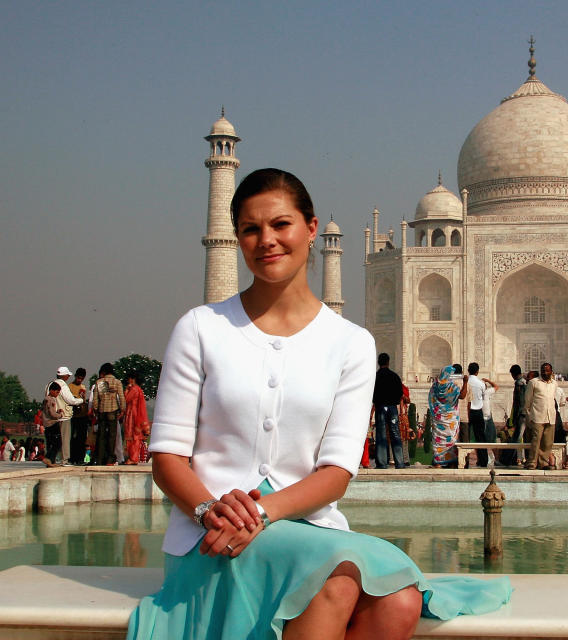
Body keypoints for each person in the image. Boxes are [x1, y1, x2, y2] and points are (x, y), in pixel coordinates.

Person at [126, 168, 509, 639]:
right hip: (209, 538)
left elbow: (336, 473)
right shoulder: (200, 328)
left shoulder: (351, 343)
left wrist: (262, 513)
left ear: (311, 228)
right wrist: (210, 511)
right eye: (250, 229)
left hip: (309, 529)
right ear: (237, 239)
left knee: (399, 601)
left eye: (280, 224)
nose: (266, 239)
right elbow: (166, 458)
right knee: (337, 581)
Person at [372, 353, 405, 469]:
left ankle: (381, 463)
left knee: (381, 435)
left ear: (378, 362)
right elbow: (400, 393)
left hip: (380, 407)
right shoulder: (394, 376)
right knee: (395, 434)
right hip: (392, 408)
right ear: (388, 362)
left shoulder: (375, 377)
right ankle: (400, 463)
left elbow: (372, 394)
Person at [524, 362, 558, 470]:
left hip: (550, 415)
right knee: (535, 440)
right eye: (543, 370)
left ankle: (543, 462)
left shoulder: (554, 384)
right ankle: (532, 462)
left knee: (547, 442)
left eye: (547, 370)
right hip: (537, 415)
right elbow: (527, 400)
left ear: (551, 372)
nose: (545, 372)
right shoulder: (534, 382)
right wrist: (528, 415)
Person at [47, 366, 84, 465]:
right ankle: (64, 460)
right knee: (65, 438)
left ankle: (52, 459)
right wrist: (81, 400)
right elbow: (70, 400)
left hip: (51, 417)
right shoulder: (62, 385)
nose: (68, 377)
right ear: (65, 376)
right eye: (67, 375)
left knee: (54, 439)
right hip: (63, 416)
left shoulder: (50, 384)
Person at [428, 366, 462, 468]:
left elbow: (431, 400)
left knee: (438, 441)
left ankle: (438, 462)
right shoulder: (452, 387)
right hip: (450, 419)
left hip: (439, 419)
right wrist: (465, 382)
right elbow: (462, 396)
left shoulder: (435, 387)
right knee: (451, 440)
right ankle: (450, 461)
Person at [92, 362, 126, 466]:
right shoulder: (117, 382)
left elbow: (97, 399)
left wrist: (96, 410)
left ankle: (100, 458)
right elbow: (121, 397)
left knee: (101, 435)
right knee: (112, 436)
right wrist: (122, 409)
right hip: (113, 410)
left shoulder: (100, 382)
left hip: (102, 411)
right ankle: (110, 459)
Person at [461, 362, 492, 468]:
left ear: (468, 371)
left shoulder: (464, 382)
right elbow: (483, 396)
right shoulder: (481, 383)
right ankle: (483, 461)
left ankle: (464, 462)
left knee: (465, 438)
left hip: (466, 411)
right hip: (478, 411)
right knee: (480, 438)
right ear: (477, 371)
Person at [123, 372, 150, 466]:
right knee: (135, 438)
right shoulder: (138, 389)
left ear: (132, 379)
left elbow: (126, 399)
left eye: (129, 378)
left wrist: (126, 390)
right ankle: (133, 458)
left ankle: (133, 458)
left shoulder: (134, 389)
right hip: (134, 414)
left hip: (132, 415)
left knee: (133, 438)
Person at [68, 368, 90, 465]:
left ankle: (80, 458)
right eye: (78, 378)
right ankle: (72, 457)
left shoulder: (83, 387)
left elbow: (83, 399)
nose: (79, 380)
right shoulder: (69, 386)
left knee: (81, 437)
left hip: (82, 415)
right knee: (73, 437)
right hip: (73, 415)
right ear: (75, 376)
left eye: (81, 378)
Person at [40, 383, 63, 467]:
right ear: (52, 390)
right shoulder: (50, 400)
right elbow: (52, 413)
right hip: (52, 424)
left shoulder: (45, 399)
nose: (57, 394)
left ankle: (51, 462)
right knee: (57, 443)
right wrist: (60, 415)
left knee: (50, 443)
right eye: (57, 392)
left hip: (47, 424)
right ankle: (48, 458)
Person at [480, 375, 499, 466]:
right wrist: (488, 380)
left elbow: (496, 387)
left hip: (486, 418)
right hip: (484, 418)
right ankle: (483, 459)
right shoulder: (485, 392)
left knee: (491, 439)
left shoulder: (486, 392)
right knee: (486, 440)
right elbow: (496, 387)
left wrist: (487, 380)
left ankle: (494, 459)